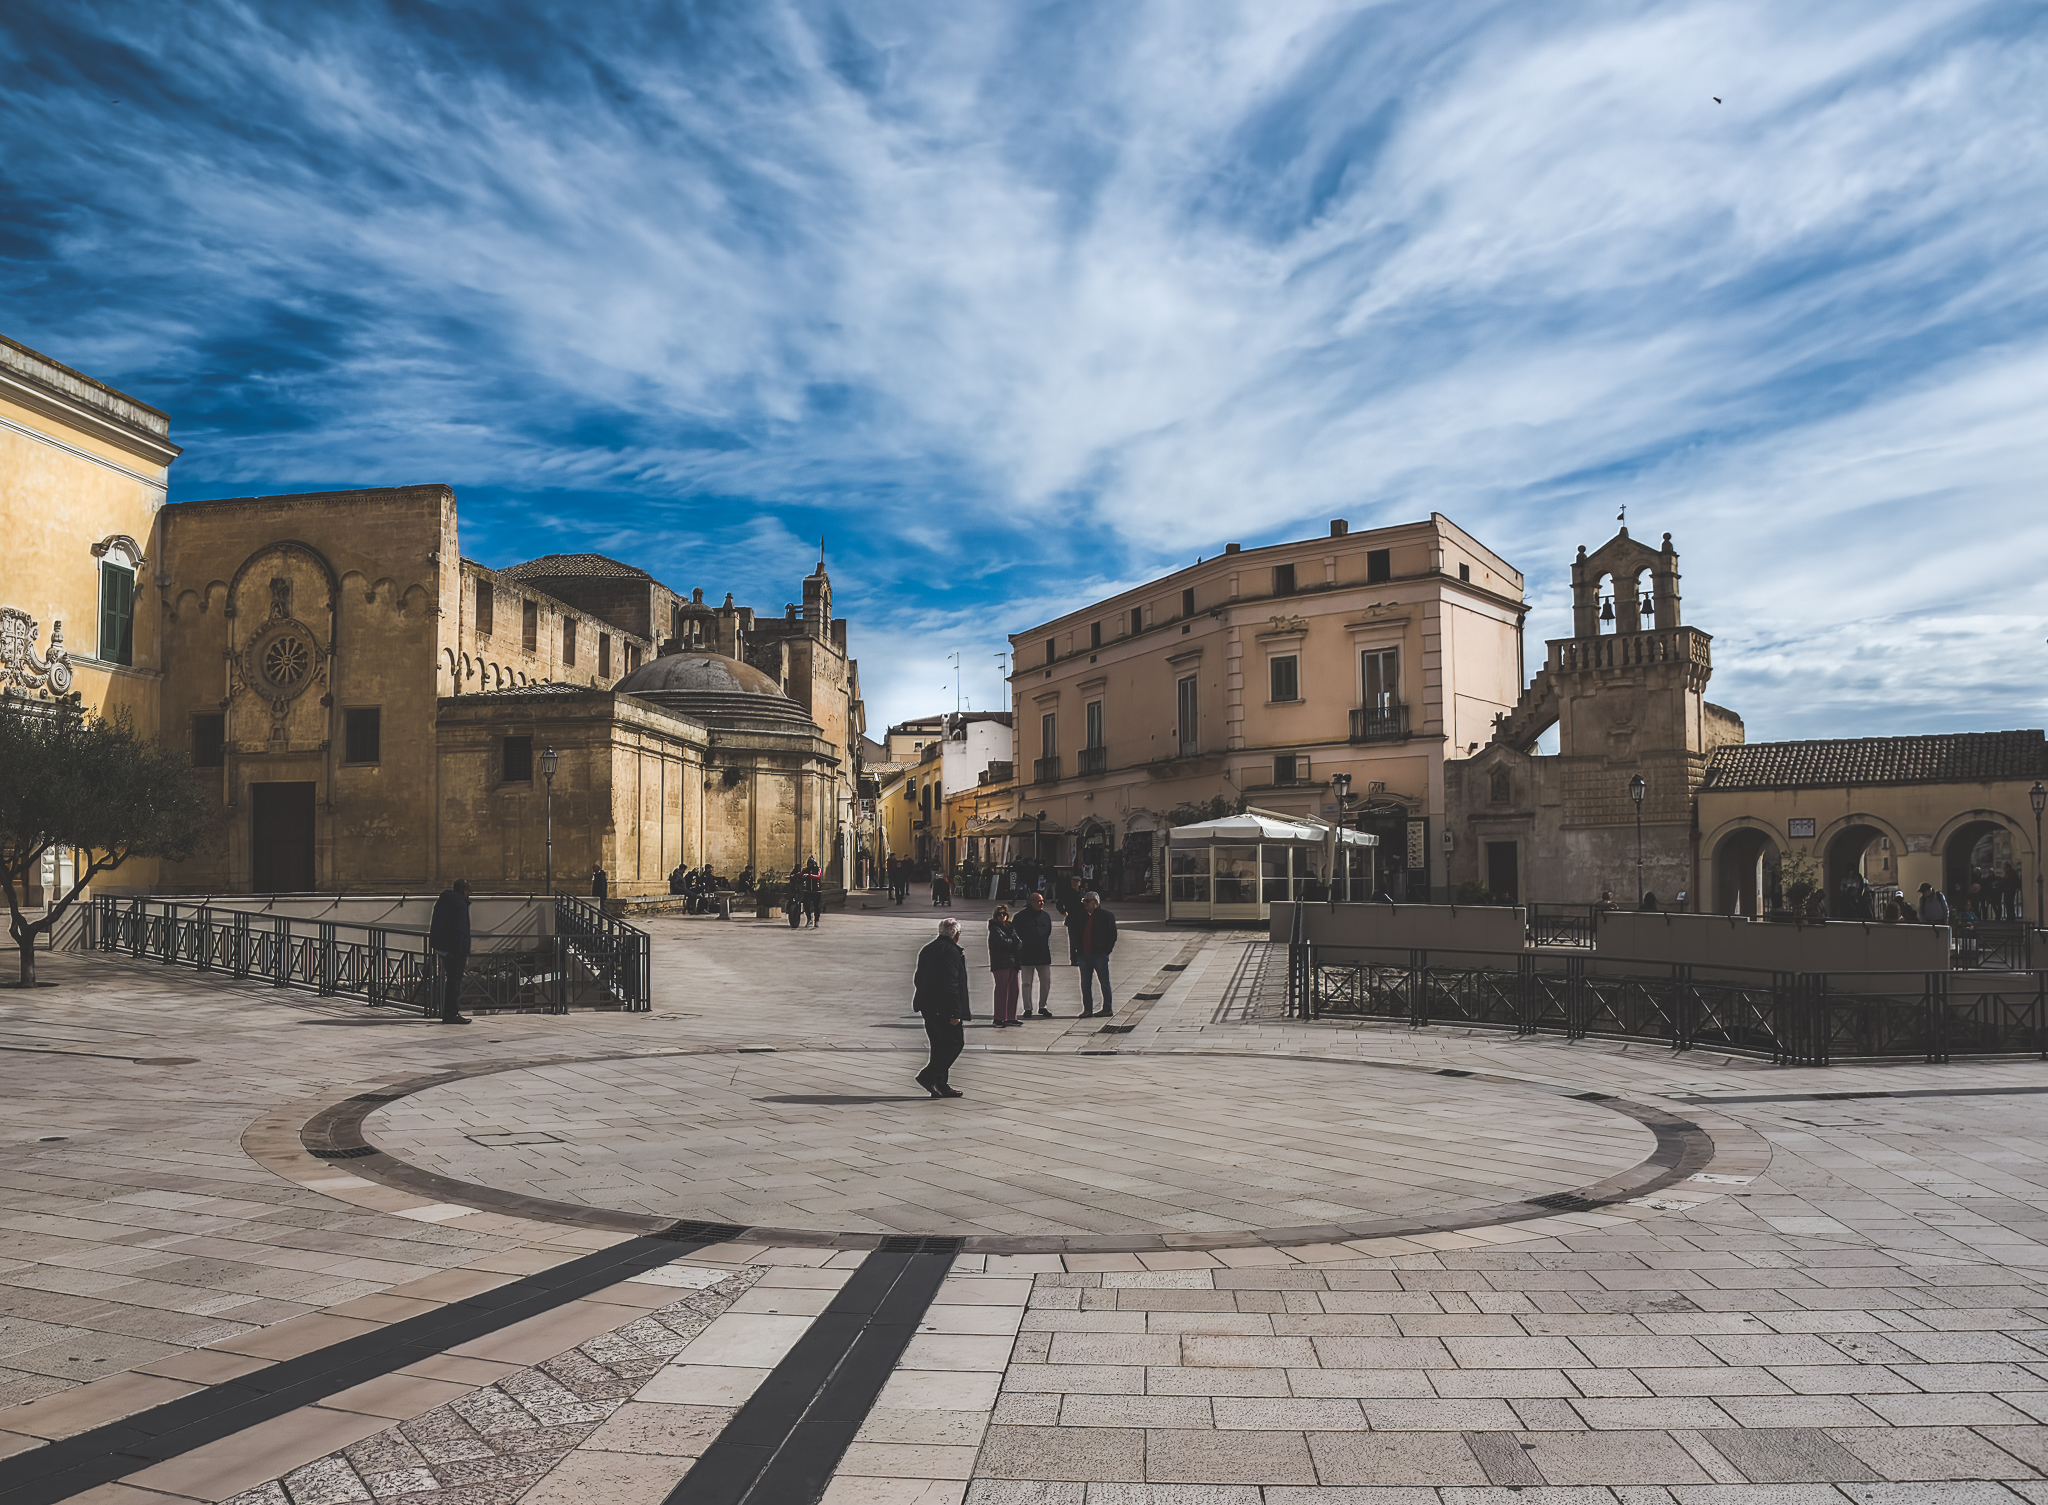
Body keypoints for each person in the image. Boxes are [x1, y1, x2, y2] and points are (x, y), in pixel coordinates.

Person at [912, 918, 970, 1097]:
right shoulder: (951, 952)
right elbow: (951, 983)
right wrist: (955, 1012)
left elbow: (918, 977)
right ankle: (929, 1076)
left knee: (939, 1044)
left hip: (928, 1005)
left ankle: (940, 1084)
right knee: (954, 1043)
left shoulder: (928, 948)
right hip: (944, 1007)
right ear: (957, 935)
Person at [427, 880, 473, 1025]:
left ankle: (447, 1011)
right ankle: (451, 1013)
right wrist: (458, 950)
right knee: (454, 982)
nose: (470, 893)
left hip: (443, 948)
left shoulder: (444, 901)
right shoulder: (460, 905)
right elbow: (460, 929)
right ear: (464, 890)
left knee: (450, 980)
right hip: (455, 949)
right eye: (469, 890)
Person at [1070, 890, 1118, 1018]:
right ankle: (1087, 1009)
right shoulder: (1082, 916)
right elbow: (1077, 935)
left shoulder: (1106, 916)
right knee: (1085, 984)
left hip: (1099, 955)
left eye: (1087, 901)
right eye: (1083, 901)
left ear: (1095, 903)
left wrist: (1106, 950)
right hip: (1084, 955)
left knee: (1104, 982)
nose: (1084, 904)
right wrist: (1076, 952)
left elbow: (1112, 935)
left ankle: (1107, 1008)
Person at [1017, 890, 1054, 1018]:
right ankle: (1028, 1008)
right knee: (1026, 983)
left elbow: (1048, 932)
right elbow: (1016, 935)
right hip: (1026, 954)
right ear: (1031, 902)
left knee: (1046, 982)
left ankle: (1043, 1006)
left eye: (1043, 901)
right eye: (1039, 901)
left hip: (1043, 954)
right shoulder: (1020, 917)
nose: (1042, 903)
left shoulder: (1045, 916)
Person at [988, 904, 1023, 1027]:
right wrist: (1013, 942)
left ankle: (1010, 1017)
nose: (1002, 916)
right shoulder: (994, 928)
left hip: (1013, 962)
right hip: (1000, 963)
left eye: (1004, 914)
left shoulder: (1010, 926)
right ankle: (999, 1018)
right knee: (1002, 991)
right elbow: (1003, 942)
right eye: (999, 914)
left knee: (1014, 990)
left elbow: (1019, 942)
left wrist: (1013, 942)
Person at [803, 858, 824, 927]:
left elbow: (818, 876)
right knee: (806, 905)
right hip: (808, 890)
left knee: (816, 906)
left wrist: (809, 876)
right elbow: (800, 874)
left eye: (811, 863)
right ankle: (809, 919)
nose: (810, 865)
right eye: (809, 863)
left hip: (817, 891)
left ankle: (816, 920)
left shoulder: (818, 869)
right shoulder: (806, 870)